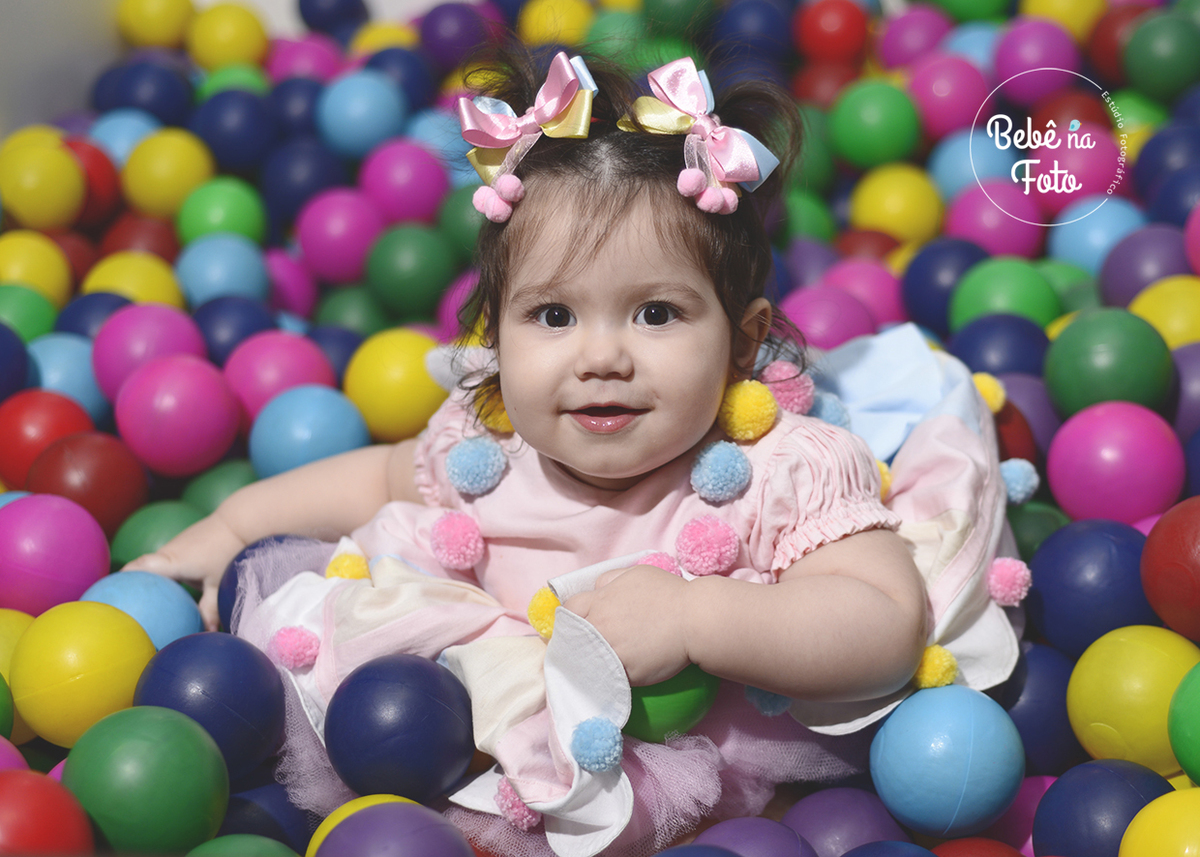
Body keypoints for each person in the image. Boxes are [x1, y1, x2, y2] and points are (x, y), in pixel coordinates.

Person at [127, 45, 1019, 857]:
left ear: (743, 345)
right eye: (554, 316)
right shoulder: (487, 448)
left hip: (699, 800)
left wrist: (698, 619)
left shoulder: (778, 472)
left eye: (657, 313)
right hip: (457, 760)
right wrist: (231, 519)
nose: (601, 356)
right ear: (496, 335)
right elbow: (374, 473)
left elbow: (882, 620)